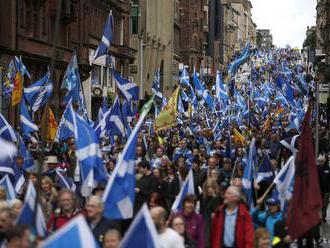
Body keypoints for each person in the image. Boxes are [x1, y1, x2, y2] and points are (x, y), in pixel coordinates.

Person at [200, 178, 223, 248]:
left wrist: (214, 198)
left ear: (215, 188)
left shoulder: (219, 198)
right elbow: (204, 210)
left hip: (216, 223)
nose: (209, 189)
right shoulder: (203, 197)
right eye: (208, 187)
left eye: (212, 187)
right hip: (206, 223)